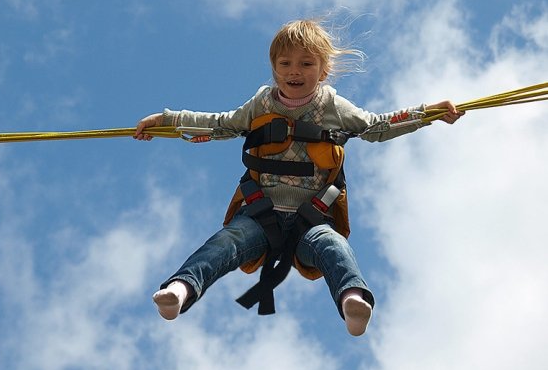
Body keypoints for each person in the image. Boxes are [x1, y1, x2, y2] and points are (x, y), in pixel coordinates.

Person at [134, 19, 463, 336]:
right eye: (285, 63)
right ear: (274, 67)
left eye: (306, 64)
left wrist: (427, 114)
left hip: (312, 217)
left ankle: (353, 300)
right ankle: (180, 289)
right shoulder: (262, 103)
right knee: (226, 243)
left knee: (333, 247)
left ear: (323, 70)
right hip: (260, 213)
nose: (294, 71)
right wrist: (168, 120)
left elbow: (376, 126)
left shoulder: (333, 106)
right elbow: (220, 124)